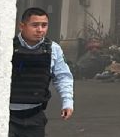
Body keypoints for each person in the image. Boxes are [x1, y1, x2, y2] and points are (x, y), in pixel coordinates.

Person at [10, 7, 74, 137]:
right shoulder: (8, 46)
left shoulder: (53, 49)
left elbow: (63, 77)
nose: (40, 30)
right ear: (22, 26)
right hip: (7, 116)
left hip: (35, 116)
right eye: (35, 25)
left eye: (44, 25)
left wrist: (67, 102)